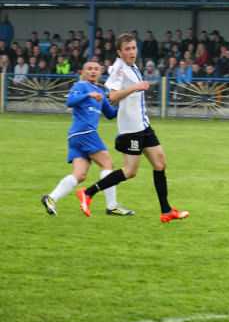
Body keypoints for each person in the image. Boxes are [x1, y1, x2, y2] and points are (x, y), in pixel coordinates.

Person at [75, 33, 189, 223]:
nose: (131, 52)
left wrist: (137, 87)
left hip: (143, 126)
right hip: (131, 130)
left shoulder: (132, 66)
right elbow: (112, 96)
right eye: (127, 49)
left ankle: (166, 211)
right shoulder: (119, 69)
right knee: (129, 171)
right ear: (119, 52)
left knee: (160, 163)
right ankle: (87, 192)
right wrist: (135, 87)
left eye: (134, 48)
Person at [40, 61, 133, 216]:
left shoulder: (101, 93)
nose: (92, 71)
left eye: (96, 69)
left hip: (76, 137)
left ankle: (51, 198)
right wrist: (88, 94)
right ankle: (112, 206)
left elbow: (110, 113)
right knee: (108, 164)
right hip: (85, 132)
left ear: (100, 73)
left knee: (80, 175)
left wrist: (125, 105)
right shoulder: (80, 86)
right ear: (83, 72)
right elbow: (70, 102)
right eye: (89, 69)